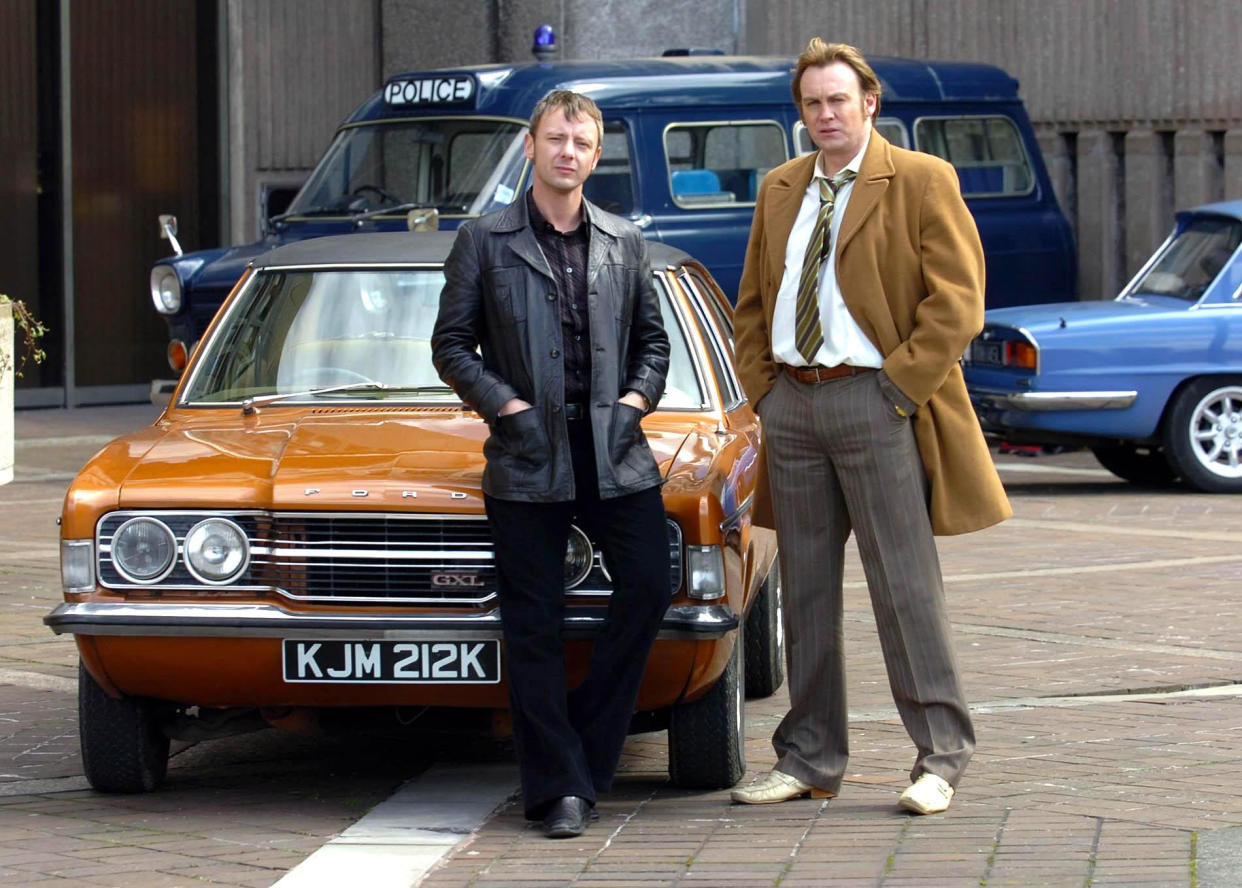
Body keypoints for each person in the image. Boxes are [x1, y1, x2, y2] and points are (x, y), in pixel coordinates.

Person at [729, 39, 1011, 815]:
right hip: (793, 404)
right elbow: (754, 301)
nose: (825, 114)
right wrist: (764, 392)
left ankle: (941, 758)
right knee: (805, 593)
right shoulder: (780, 187)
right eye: (812, 104)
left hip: (876, 403)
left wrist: (897, 390)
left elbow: (957, 303)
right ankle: (810, 757)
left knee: (904, 588)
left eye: (838, 101)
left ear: (869, 104)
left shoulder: (920, 179)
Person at [431, 90, 671, 838]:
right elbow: (451, 345)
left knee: (649, 585)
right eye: (556, 137)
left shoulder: (625, 242)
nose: (569, 151)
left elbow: (654, 345)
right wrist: (510, 409)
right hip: (528, 456)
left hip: (614, 454)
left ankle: (586, 755)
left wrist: (632, 404)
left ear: (596, 157)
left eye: (583, 142)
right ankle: (557, 791)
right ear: (530, 147)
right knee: (531, 624)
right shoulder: (485, 240)